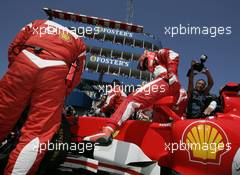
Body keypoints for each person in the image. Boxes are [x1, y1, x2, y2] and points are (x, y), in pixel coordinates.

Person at [0, 19, 86, 175]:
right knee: (37, 134)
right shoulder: (79, 42)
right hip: (55, 71)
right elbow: (75, 77)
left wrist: (15, 71)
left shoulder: (39, 23)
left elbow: (14, 46)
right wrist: (61, 95)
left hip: (24, 61)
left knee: (2, 114)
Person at [84, 48, 181, 145]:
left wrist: (172, 72)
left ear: (148, 56)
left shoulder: (158, 55)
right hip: (172, 89)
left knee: (132, 99)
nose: (147, 68)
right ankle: (164, 145)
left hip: (166, 82)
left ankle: (107, 130)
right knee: (158, 117)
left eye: (146, 64)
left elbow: (173, 53)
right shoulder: (160, 67)